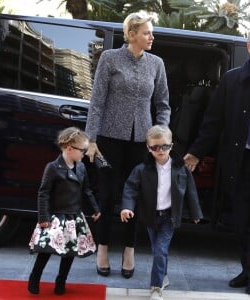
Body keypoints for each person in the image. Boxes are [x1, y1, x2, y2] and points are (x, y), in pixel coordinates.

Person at [85, 12, 170, 278]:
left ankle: (129, 250)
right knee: (109, 194)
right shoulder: (110, 58)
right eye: (147, 33)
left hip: (141, 143)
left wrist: (162, 136)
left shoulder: (156, 63)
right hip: (109, 140)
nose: (152, 37)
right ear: (132, 34)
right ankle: (103, 248)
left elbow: (162, 104)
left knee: (135, 196)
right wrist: (91, 140)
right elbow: (97, 101)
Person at [184, 26, 250, 295]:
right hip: (238, 161)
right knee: (240, 220)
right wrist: (196, 151)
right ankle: (248, 268)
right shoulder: (231, 80)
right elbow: (213, 122)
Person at [120, 125, 202, 300]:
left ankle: (156, 287)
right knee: (158, 250)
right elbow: (130, 188)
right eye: (155, 147)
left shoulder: (181, 168)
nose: (160, 150)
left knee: (159, 250)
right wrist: (127, 206)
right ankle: (163, 276)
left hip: (169, 217)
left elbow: (191, 191)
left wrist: (196, 213)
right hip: (150, 217)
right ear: (148, 147)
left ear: (171, 146)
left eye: (164, 146)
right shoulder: (142, 169)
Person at [28, 127, 101, 295]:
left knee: (70, 252)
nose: (85, 153)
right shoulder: (53, 168)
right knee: (46, 249)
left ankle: (61, 281)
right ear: (69, 148)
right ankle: (34, 277)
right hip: (55, 217)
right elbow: (43, 193)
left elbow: (86, 190)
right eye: (83, 150)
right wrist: (43, 217)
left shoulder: (81, 167)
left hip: (74, 217)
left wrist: (95, 208)